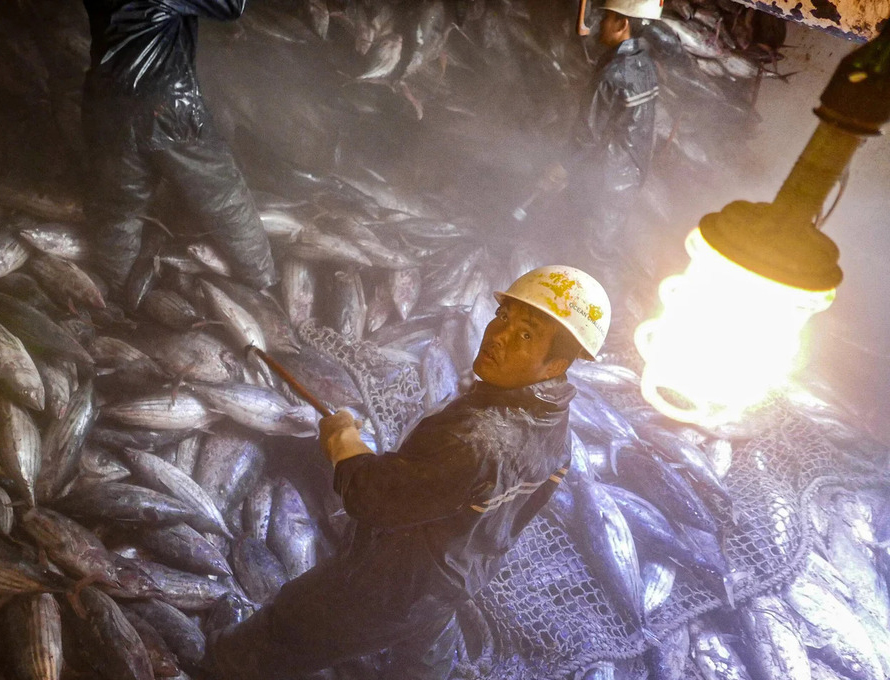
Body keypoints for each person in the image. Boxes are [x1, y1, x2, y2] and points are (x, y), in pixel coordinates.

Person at [204, 266, 612, 680]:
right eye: (504, 317)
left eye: (526, 335)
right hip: (460, 572)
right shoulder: (556, 428)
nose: (499, 335)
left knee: (292, 626)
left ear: (555, 363)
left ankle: (225, 664)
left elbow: (373, 500)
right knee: (424, 641)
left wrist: (345, 442)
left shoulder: (479, 440)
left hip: (394, 582)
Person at [81, 0, 277, 301]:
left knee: (116, 212)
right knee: (222, 197)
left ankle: (119, 299)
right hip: (167, 106)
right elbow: (230, 6)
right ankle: (262, 281)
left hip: (106, 106)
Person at [538, 0, 662, 310]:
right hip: (630, 172)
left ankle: (608, 322)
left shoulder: (615, 71)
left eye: (607, 17)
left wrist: (561, 168)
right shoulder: (644, 63)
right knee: (602, 242)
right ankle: (579, 306)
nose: (600, 24)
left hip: (608, 176)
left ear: (623, 24)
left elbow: (588, 132)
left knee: (597, 250)